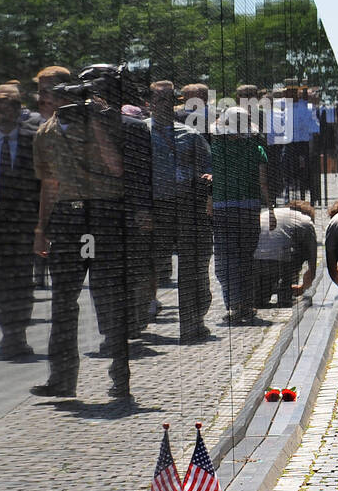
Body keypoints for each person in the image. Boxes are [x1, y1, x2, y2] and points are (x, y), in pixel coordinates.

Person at [32, 64, 150, 399]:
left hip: (104, 214)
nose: (46, 98)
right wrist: (41, 228)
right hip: (68, 219)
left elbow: (117, 168)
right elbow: (49, 184)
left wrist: (95, 122)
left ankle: (120, 375)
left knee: (110, 296)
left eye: (52, 90)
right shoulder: (45, 133)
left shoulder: (111, 122)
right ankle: (61, 377)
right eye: (41, 92)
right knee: (62, 300)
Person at [0, 83, 42, 361]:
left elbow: (42, 182)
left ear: (17, 110)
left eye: (9, 107)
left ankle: (20, 333)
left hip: (25, 220)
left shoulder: (32, 139)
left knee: (22, 278)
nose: (2, 113)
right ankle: (7, 334)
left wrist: (42, 222)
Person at [146, 80, 213, 341]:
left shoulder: (190, 135)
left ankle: (192, 322)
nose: (162, 105)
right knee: (146, 264)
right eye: (157, 100)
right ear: (149, 103)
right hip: (154, 208)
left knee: (193, 266)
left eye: (167, 100)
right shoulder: (140, 133)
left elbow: (209, 166)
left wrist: (208, 184)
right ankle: (139, 317)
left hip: (187, 205)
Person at [210, 104, 275, 323]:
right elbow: (263, 183)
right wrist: (272, 211)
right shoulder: (256, 149)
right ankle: (246, 304)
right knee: (246, 257)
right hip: (249, 208)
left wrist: (208, 204)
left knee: (226, 258)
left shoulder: (216, 149)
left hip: (223, 208)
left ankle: (235, 303)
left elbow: (213, 180)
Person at [254, 201, 317, 307]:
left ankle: (260, 294)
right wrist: (303, 287)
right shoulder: (306, 220)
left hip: (257, 261)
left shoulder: (266, 213)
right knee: (302, 247)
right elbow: (312, 258)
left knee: (262, 295)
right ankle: (286, 293)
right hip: (283, 262)